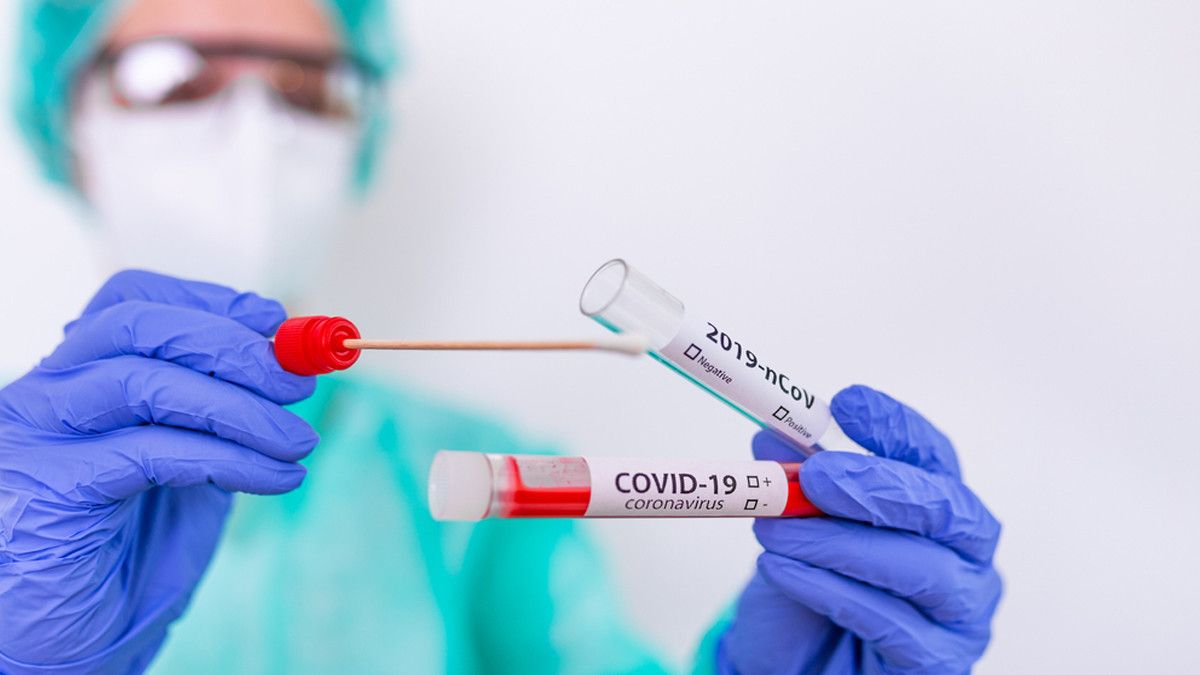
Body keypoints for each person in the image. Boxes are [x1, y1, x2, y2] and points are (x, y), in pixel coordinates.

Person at [0, 1, 1003, 673]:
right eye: (174, 79)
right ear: (64, 123)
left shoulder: (475, 480)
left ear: (361, 133)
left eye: (307, 92)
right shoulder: (20, 492)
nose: (253, 136)